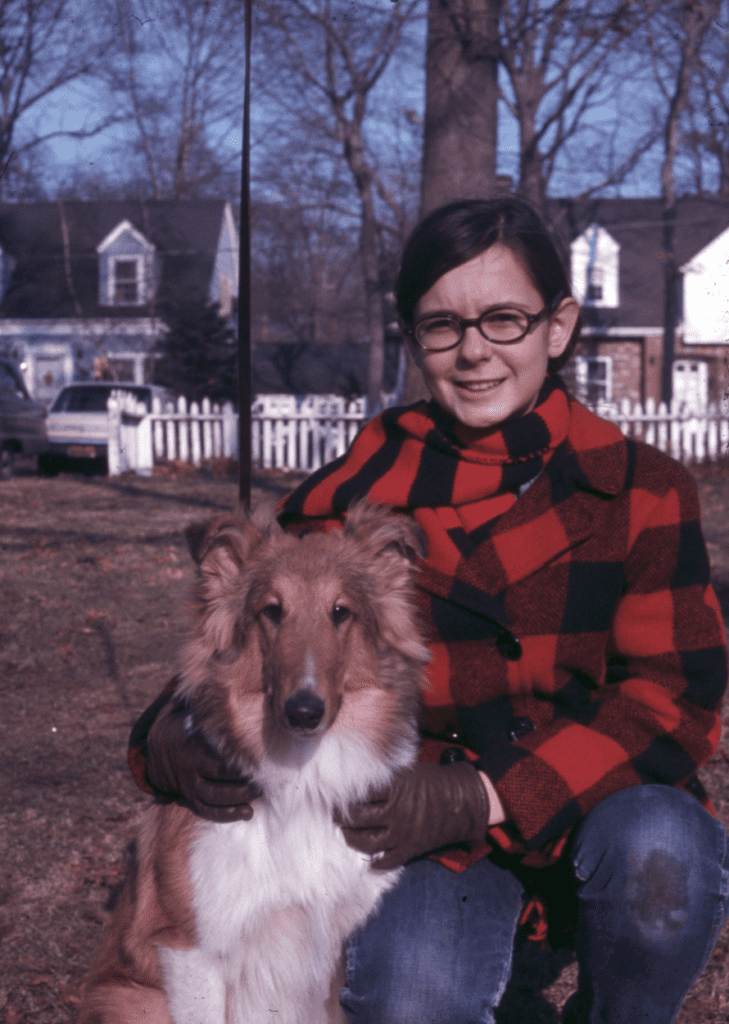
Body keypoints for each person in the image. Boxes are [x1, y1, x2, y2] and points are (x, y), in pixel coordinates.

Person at [128, 197, 729, 1024]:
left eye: (504, 319)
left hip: (599, 807)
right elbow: (262, 627)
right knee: (407, 998)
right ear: (413, 340)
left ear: (557, 328)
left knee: (666, 857)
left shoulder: (641, 486)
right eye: (442, 325)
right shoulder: (351, 497)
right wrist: (162, 736)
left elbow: (676, 699)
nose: (474, 350)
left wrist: (486, 794)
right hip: (426, 838)